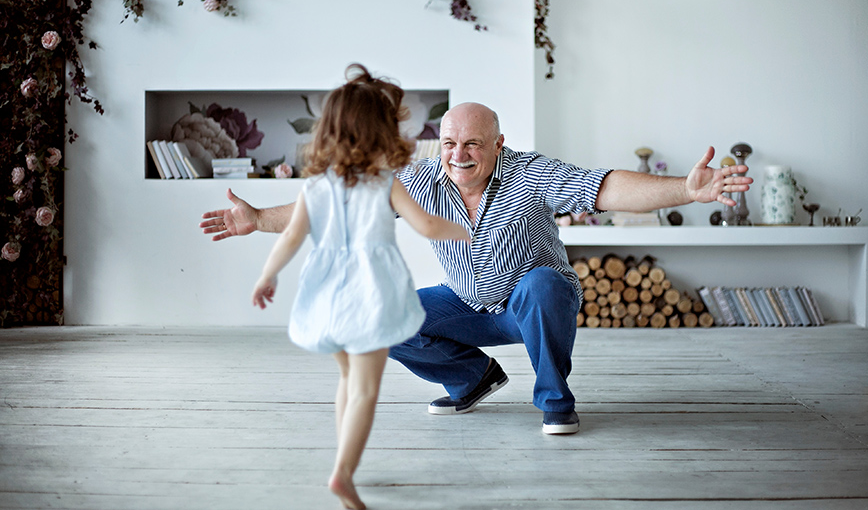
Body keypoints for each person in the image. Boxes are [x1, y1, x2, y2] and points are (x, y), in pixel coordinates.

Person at [206, 101, 753, 437]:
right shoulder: (419, 180)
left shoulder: (530, 174)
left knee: (541, 283)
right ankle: (472, 377)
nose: (459, 153)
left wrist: (685, 187)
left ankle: (556, 402)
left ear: (498, 145)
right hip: (469, 304)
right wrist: (256, 218)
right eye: (449, 143)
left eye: (473, 143)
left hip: (535, 303)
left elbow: (607, 188)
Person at [250, 64, 470, 510]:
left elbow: (291, 237)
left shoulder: (315, 187)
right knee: (367, 390)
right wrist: (463, 232)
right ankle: (343, 475)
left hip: (327, 294)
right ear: (381, 133)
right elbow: (426, 225)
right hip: (371, 294)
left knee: (347, 380)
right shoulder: (385, 182)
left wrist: (267, 276)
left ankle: (341, 462)